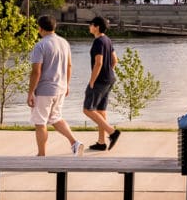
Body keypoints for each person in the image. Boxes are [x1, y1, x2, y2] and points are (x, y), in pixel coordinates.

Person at [27, 15, 83, 156]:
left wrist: (30, 92)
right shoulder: (64, 43)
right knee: (56, 118)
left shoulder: (40, 45)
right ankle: (74, 143)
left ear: (40, 28)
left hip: (45, 90)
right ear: (54, 27)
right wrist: (67, 85)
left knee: (40, 123)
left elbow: (36, 71)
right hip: (60, 88)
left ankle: (41, 155)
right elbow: (69, 65)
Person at [82, 16, 120, 151]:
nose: (89, 27)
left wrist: (92, 81)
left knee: (87, 109)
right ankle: (101, 142)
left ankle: (112, 132)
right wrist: (109, 71)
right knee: (101, 111)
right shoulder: (108, 40)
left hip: (99, 81)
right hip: (109, 79)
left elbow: (98, 62)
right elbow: (115, 60)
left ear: (97, 27)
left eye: (91, 25)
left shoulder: (98, 42)